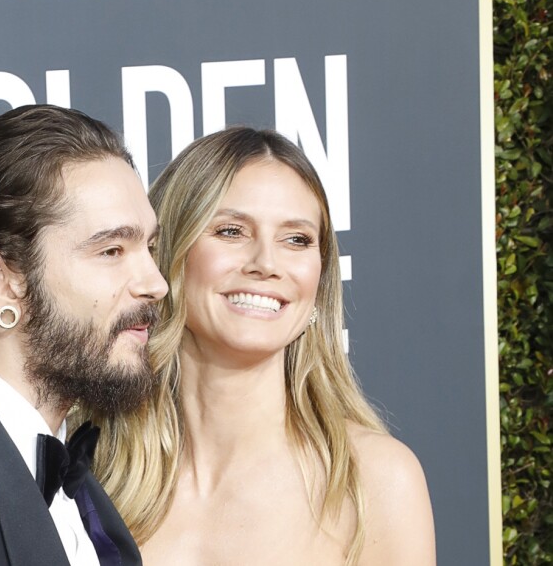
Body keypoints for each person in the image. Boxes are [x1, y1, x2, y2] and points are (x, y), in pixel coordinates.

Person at [85, 127, 436, 565]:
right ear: (168, 253)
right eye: (232, 231)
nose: (267, 264)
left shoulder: (375, 482)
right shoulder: (90, 471)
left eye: (297, 239)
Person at [0, 104, 169, 566]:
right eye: (111, 250)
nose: (156, 283)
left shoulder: (78, 492)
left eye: (151, 247)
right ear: (3, 282)